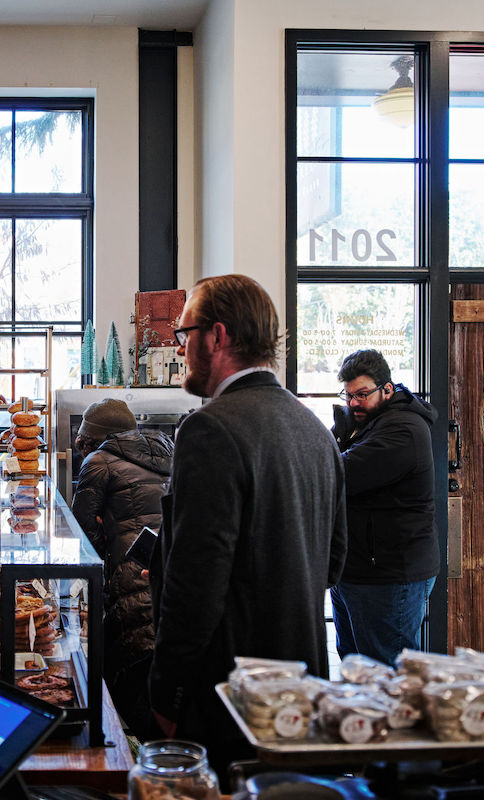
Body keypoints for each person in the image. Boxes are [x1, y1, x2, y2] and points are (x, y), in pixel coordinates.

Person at [148, 274, 347, 776]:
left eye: (184, 334)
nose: (181, 348)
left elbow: (195, 583)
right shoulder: (314, 430)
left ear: (217, 336)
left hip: (230, 698)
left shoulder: (210, 428)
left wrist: (167, 694)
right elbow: (333, 561)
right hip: (300, 691)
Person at [70, 398, 173, 739]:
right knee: (161, 679)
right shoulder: (168, 450)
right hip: (168, 577)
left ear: (96, 436)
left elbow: (81, 532)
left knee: (128, 680)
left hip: (128, 581)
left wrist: (103, 537)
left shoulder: (98, 462)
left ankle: (138, 764)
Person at [330, 349, 440, 667]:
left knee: (385, 671)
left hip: (388, 575)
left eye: (362, 394)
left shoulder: (402, 430)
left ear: (387, 389)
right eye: (348, 395)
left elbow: (341, 474)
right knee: (357, 669)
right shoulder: (369, 423)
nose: (353, 403)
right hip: (359, 568)